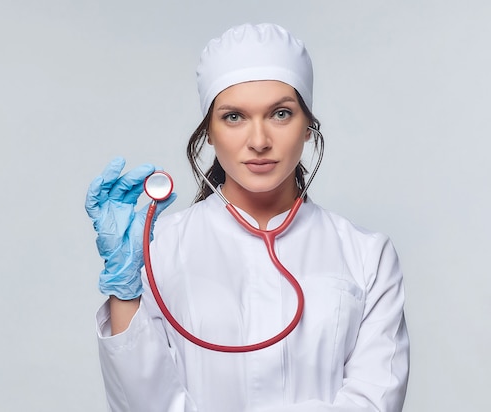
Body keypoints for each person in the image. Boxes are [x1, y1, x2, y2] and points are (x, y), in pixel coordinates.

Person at [85, 23, 409, 412]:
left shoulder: (367, 256)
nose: (258, 141)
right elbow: (142, 405)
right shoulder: (156, 250)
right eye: (234, 117)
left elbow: (374, 402)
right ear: (208, 131)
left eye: (281, 113)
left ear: (308, 127)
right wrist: (125, 292)